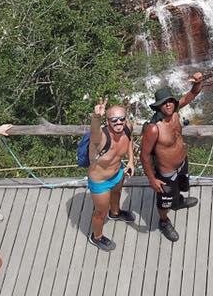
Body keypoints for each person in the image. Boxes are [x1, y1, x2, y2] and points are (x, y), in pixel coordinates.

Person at [141, 72, 205, 242]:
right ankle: (164, 221)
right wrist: (152, 179)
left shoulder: (176, 112)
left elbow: (193, 94)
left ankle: (178, 202)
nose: (168, 104)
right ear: (158, 106)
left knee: (181, 188)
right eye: (164, 103)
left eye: (170, 101)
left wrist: (198, 81)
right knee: (164, 201)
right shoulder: (154, 128)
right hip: (166, 173)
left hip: (182, 163)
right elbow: (144, 155)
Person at [86, 97, 137, 251]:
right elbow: (94, 133)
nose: (119, 122)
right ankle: (96, 237)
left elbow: (129, 141)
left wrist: (130, 161)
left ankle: (115, 213)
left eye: (121, 119)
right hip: (100, 181)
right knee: (100, 213)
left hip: (118, 172)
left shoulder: (127, 128)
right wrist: (96, 117)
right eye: (114, 120)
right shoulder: (101, 138)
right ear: (108, 122)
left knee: (117, 193)